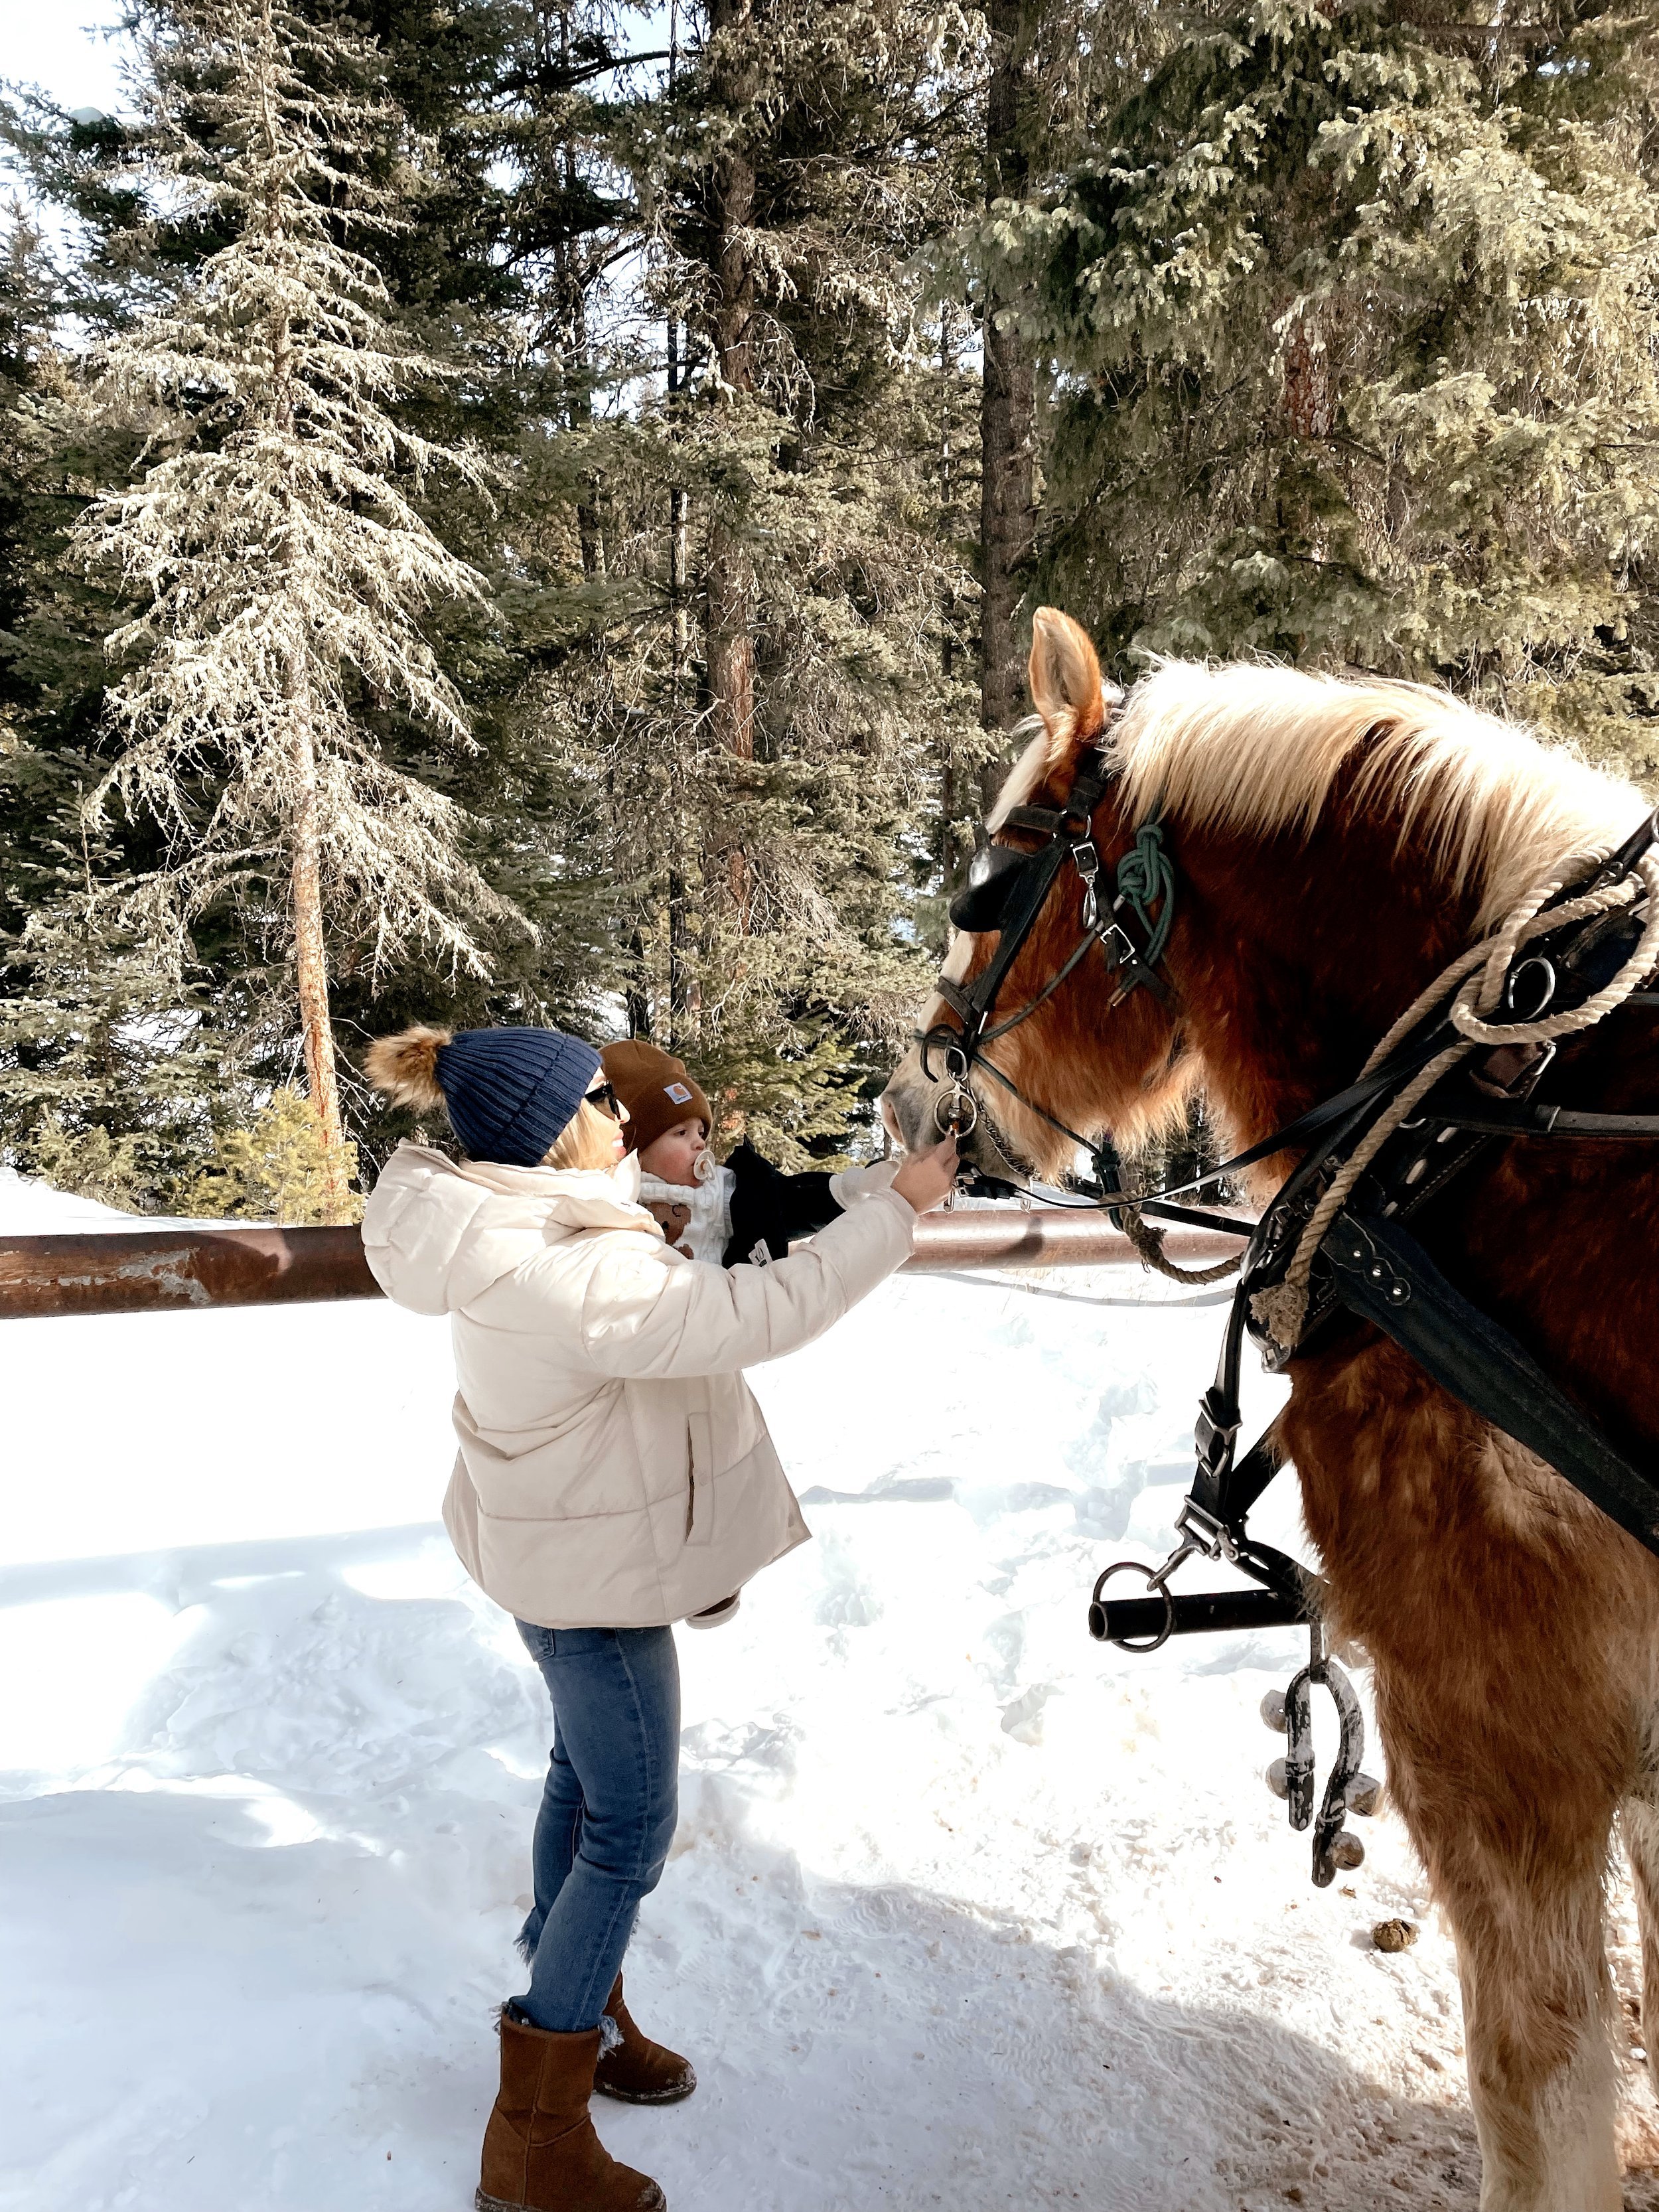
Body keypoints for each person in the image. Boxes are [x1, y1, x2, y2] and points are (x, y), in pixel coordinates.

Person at [360, 1023, 956, 2212]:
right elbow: (760, 1313)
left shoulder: (505, 1214)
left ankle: (589, 2006)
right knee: (631, 1822)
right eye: (595, 1096)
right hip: (593, 1574)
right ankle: (536, 2132)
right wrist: (897, 1211)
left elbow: (732, 1193)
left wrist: (864, 1177)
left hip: (552, 1543)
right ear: (550, 1126)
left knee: (580, 1784)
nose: (615, 1112)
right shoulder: (571, 1263)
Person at [600, 1038, 901, 1270]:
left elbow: (786, 1202)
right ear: (638, 1148)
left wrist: (849, 1190)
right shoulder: (610, 1197)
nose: (699, 1144)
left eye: (701, 1133)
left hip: (716, 1318)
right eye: (681, 1133)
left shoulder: (721, 1190)